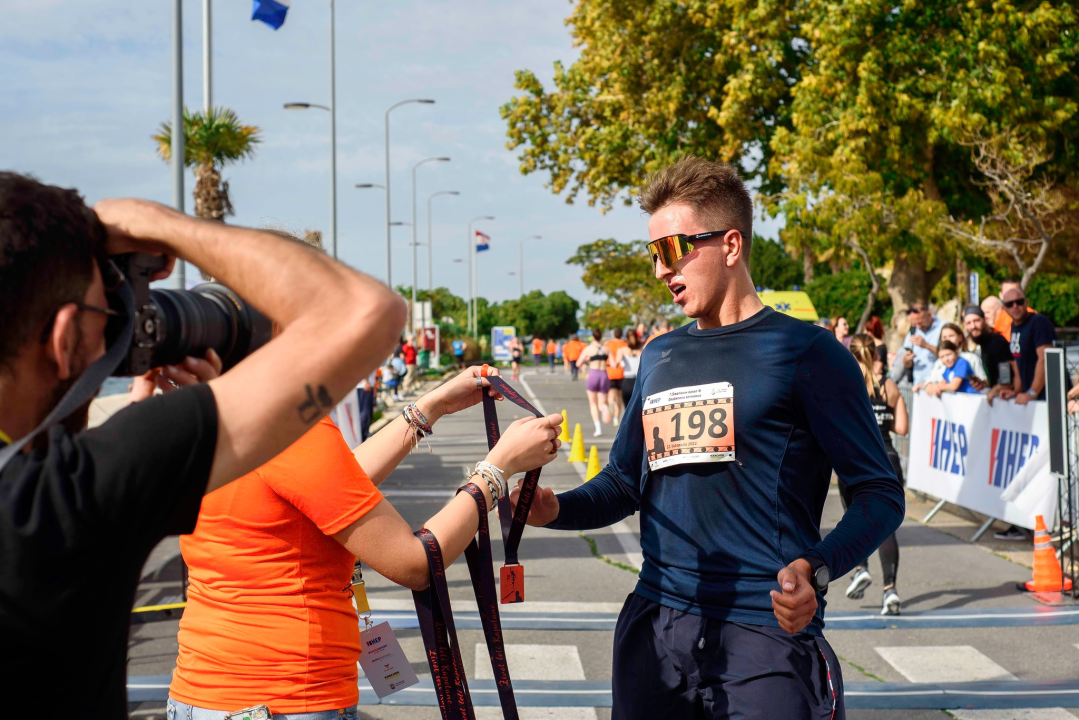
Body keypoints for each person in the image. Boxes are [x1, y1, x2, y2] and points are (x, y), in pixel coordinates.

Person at [0, 174, 407, 717]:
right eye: (109, 318)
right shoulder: (66, 495)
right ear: (64, 336)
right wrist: (165, 226)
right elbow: (368, 311)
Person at [512, 157, 902, 719]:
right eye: (653, 255)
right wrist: (552, 509)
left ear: (732, 244)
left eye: (672, 250)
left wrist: (817, 569)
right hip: (657, 626)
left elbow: (880, 494)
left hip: (764, 634)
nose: (660, 270)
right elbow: (625, 481)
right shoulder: (659, 356)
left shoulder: (809, 353)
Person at [169, 365, 563, 718]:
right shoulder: (286, 427)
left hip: (197, 692)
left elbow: (326, 486)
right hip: (287, 697)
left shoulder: (194, 422)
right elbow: (414, 563)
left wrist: (432, 406)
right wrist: (498, 468)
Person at [842, 334, 909, 615]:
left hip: (856, 462)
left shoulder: (847, 384)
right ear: (876, 355)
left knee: (855, 520)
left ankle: (860, 568)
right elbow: (903, 428)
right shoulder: (889, 386)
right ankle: (890, 590)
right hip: (888, 460)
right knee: (885, 527)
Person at [999, 286, 1056, 405]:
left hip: (1049, 398)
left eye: (1019, 302)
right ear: (1004, 309)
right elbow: (1019, 361)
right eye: (1009, 304)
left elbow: (1045, 359)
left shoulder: (1039, 322)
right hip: (1033, 399)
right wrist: (1017, 391)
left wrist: (1032, 393)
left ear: (1026, 303)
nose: (1015, 306)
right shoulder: (1014, 326)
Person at [962, 305, 1019, 404]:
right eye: (969, 323)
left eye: (976, 321)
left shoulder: (997, 342)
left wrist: (995, 390)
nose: (973, 326)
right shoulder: (984, 343)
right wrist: (984, 384)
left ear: (985, 320)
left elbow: (1007, 377)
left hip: (1008, 401)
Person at [890, 303, 943, 386]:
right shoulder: (913, 331)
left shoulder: (943, 327)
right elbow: (907, 364)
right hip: (917, 384)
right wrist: (906, 360)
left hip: (936, 384)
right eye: (914, 324)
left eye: (920, 323)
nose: (918, 327)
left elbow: (949, 354)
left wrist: (926, 345)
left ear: (928, 315)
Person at [576, 329, 611, 437]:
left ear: (592, 337)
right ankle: (604, 409)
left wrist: (588, 360)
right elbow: (614, 363)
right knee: (601, 403)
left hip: (593, 374)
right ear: (601, 337)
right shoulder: (606, 349)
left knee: (593, 403)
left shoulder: (588, 349)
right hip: (604, 375)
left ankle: (598, 428)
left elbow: (578, 363)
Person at [914, 340, 980, 396]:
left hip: (971, 400)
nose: (946, 359)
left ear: (956, 352)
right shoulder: (948, 368)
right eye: (942, 357)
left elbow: (953, 386)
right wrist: (926, 385)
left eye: (948, 355)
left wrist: (936, 387)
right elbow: (943, 382)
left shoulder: (962, 363)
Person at [604, 327, 629, 427]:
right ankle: (616, 418)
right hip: (621, 373)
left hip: (609, 372)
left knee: (611, 395)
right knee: (619, 397)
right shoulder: (624, 344)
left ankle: (610, 408)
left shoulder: (607, 344)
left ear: (613, 334)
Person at [614, 329, 643, 408]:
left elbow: (616, 364)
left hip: (627, 382)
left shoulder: (622, 350)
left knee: (627, 409)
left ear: (626, 339)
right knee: (639, 410)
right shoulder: (642, 350)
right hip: (639, 382)